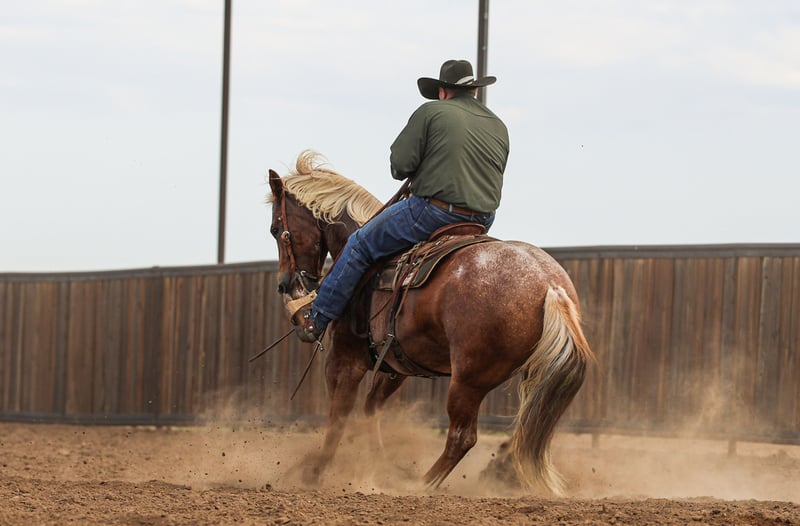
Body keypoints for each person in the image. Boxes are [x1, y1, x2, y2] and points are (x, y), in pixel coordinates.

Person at [299, 59, 510, 342]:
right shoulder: (498, 124)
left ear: (442, 91)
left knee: (360, 244)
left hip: (434, 213)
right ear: (474, 90)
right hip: (483, 219)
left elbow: (400, 165)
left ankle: (318, 317)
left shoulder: (431, 112)